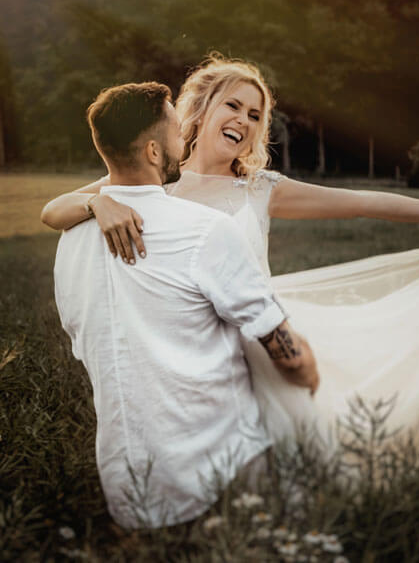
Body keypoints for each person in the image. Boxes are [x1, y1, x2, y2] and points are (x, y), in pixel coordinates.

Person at [43, 55, 419, 453]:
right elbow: (51, 210)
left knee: (307, 455)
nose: (244, 120)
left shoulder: (260, 189)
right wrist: (96, 202)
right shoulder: (160, 177)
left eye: (255, 115)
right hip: (190, 353)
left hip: (260, 340)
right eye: (233, 105)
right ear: (202, 108)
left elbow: (359, 202)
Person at [52, 81, 319, 529]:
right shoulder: (206, 229)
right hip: (224, 473)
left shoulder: (70, 241)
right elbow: (289, 356)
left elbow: (80, 340)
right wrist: (310, 377)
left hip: (131, 490)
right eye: (177, 130)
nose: (185, 136)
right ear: (154, 152)